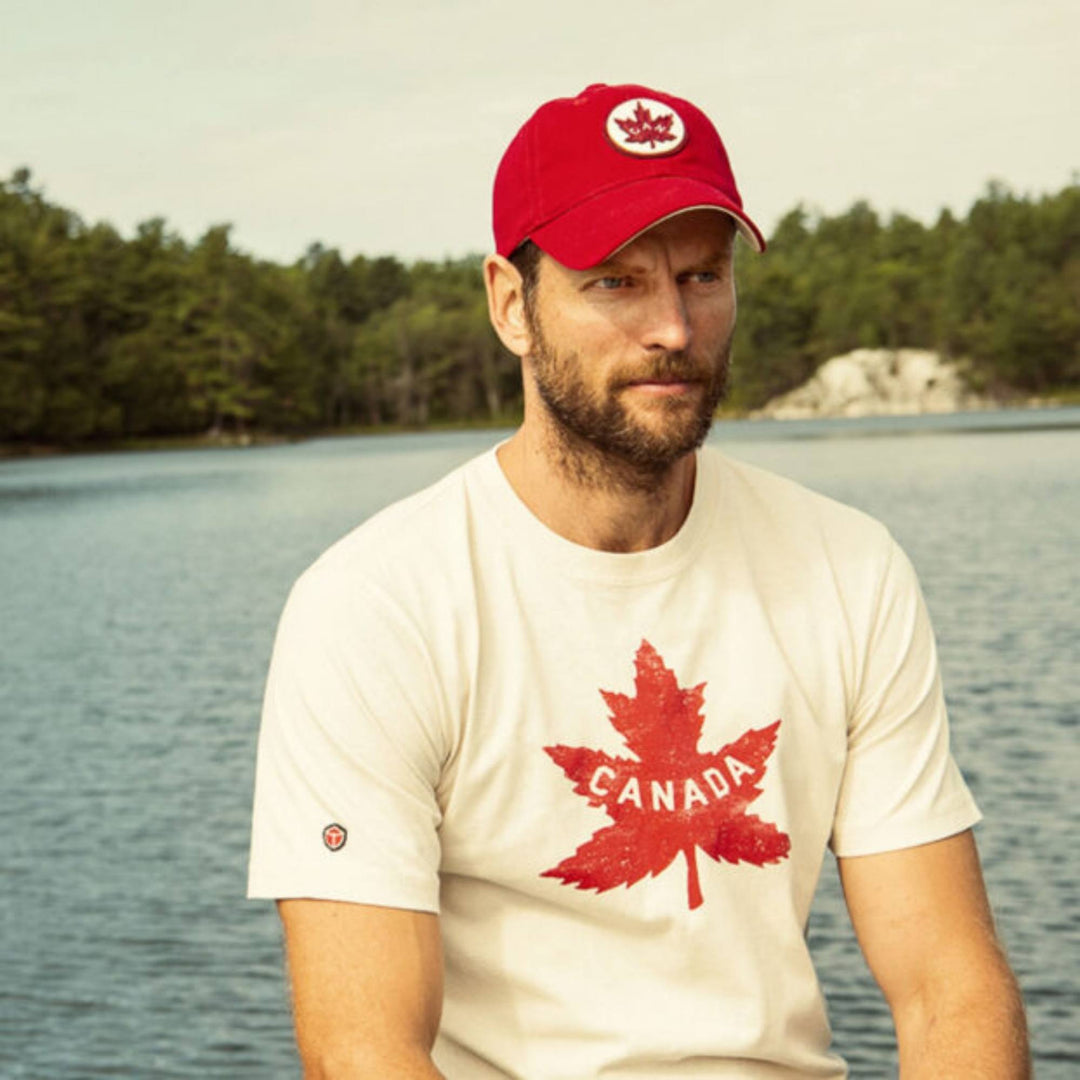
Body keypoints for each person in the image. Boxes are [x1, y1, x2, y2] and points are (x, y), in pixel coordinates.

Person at [248, 82, 1029, 1078]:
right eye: (615, 282)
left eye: (702, 277)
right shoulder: (375, 606)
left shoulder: (846, 566)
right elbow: (365, 1052)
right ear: (510, 304)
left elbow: (948, 985)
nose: (672, 326)